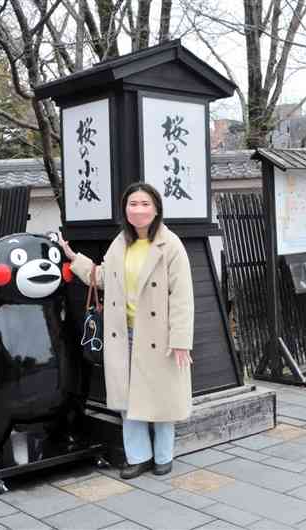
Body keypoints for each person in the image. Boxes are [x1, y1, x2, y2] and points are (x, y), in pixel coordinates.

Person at [61, 182, 194, 479]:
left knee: (161, 396)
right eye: (133, 204)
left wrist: (181, 340)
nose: (138, 210)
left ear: (156, 208)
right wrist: (74, 258)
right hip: (124, 333)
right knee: (127, 399)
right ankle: (138, 456)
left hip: (159, 335)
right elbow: (103, 277)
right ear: (125, 210)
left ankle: (163, 455)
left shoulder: (170, 245)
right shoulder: (120, 243)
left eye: (145, 204)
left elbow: (183, 297)